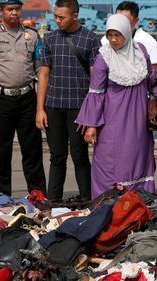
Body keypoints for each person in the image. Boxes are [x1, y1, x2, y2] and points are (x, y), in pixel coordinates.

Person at [76, 14, 157, 198]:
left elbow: (150, 82)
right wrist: (91, 125)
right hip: (112, 121)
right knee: (107, 161)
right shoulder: (103, 58)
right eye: (109, 35)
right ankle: (107, 205)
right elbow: (96, 93)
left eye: (117, 35)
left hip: (139, 122)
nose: (113, 39)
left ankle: (140, 203)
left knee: (137, 159)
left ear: (127, 33)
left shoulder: (140, 51)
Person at [0, 0, 46, 197]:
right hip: (2, 101)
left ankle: (38, 197)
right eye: (10, 9)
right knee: (1, 153)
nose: (14, 13)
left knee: (32, 152)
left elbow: (41, 70)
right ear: (2, 11)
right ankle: (1, 198)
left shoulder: (32, 36)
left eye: (17, 9)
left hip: (28, 100)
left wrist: (42, 105)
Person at [36, 0, 101, 201]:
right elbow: (44, 74)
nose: (57, 20)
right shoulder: (49, 38)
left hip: (79, 108)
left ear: (74, 15)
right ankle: (53, 201)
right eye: (55, 16)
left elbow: (96, 80)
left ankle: (87, 199)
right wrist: (40, 109)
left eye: (61, 17)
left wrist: (92, 115)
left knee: (80, 156)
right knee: (56, 157)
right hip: (53, 105)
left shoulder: (90, 39)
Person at [101, 1, 157, 69]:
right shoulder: (104, 40)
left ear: (136, 21)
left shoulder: (149, 43)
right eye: (118, 19)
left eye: (125, 21)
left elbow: (155, 75)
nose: (120, 24)